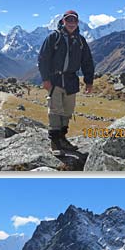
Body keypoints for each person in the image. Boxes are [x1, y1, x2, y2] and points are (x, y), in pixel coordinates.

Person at [38, 10, 94, 154]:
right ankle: (55, 143)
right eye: (68, 20)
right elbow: (43, 59)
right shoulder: (53, 37)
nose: (71, 23)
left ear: (77, 23)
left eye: (74, 21)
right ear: (63, 21)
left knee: (67, 112)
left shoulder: (80, 40)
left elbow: (87, 61)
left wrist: (89, 81)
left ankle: (62, 138)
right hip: (55, 80)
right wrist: (45, 79)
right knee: (55, 111)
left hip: (71, 81)